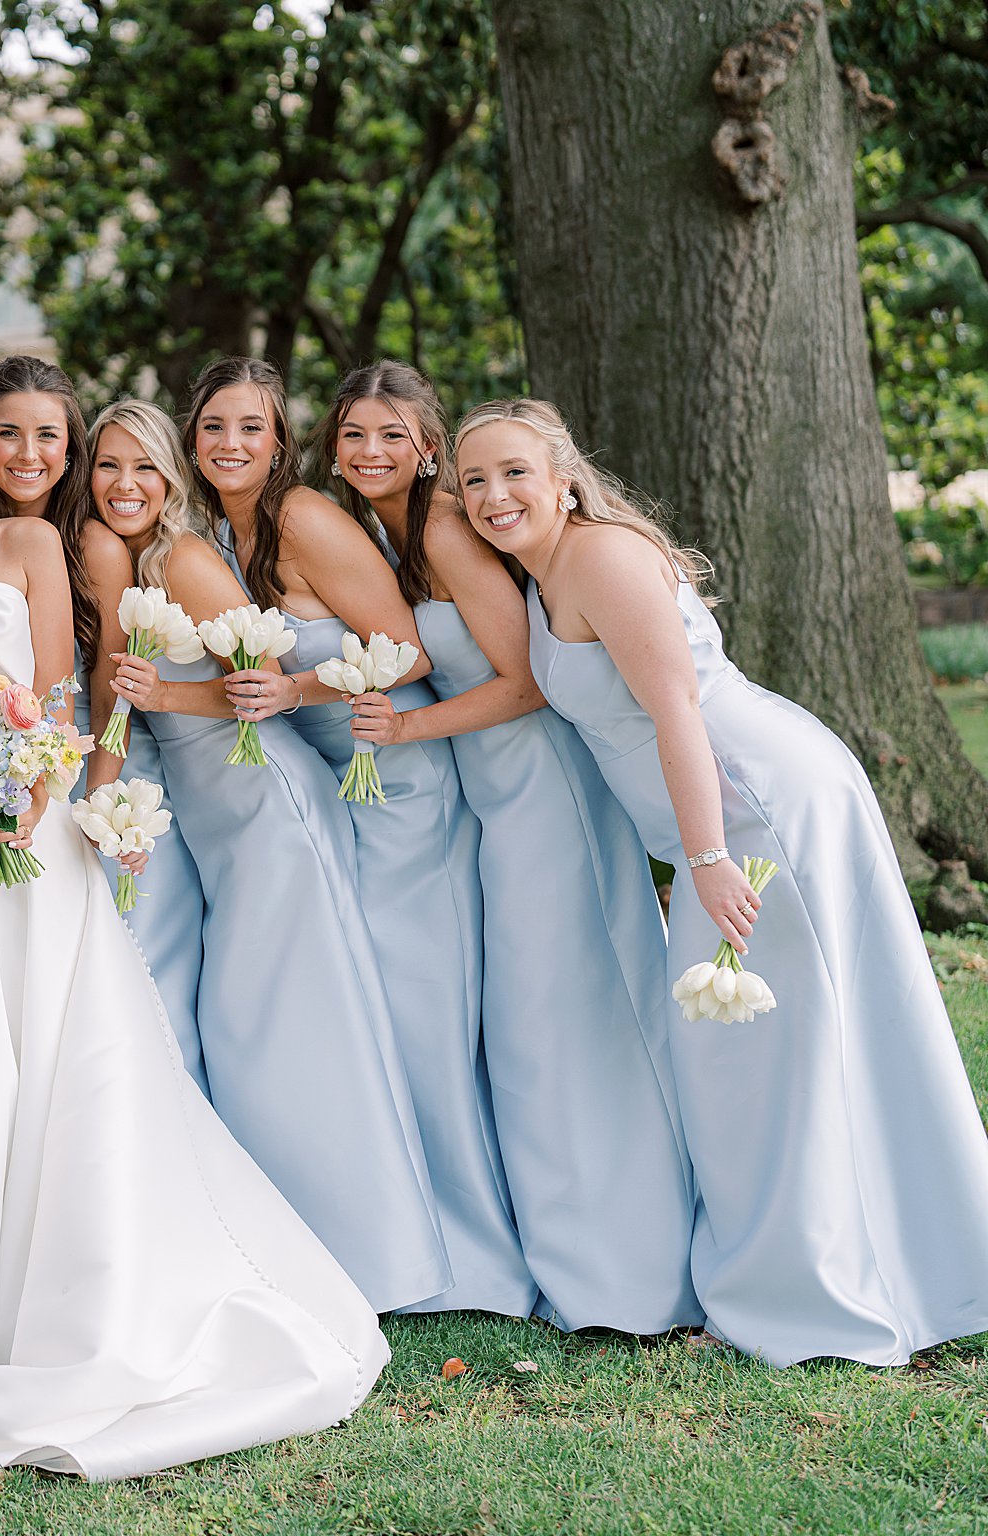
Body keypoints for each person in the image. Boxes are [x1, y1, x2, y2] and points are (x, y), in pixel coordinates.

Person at [0, 365, 389, 1494]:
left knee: (44, 1065)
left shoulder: (29, 546)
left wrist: (23, 791)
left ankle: (46, 1302)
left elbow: (56, 689)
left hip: (27, 831)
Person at [460, 396, 988, 1366]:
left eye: (512, 472)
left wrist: (700, 861)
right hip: (719, 819)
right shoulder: (541, 576)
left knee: (763, 1057)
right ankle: (804, 1279)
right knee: (748, 1057)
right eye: (474, 481)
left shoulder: (600, 558)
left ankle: (812, 1299)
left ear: (562, 476)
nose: (494, 495)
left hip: (758, 810)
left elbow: (676, 716)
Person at [312, 362, 698, 1335]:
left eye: (390, 436)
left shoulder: (442, 525)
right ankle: (568, 1259)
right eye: (352, 435)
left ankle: (626, 1278)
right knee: (531, 1030)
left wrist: (404, 729)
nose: (368, 453)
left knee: (563, 1024)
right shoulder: (380, 533)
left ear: (427, 447)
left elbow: (525, 682)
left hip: (539, 792)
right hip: (492, 798)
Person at [184, 355, 536, 1320]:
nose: (230, 445)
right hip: (345, 786)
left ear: (280, 440)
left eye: (251, 428)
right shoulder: (223, 531)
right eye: (214, 427)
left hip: (403, 784)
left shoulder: (302, 516)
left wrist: (295, 689)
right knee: (382, 1011)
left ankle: (472, 1255)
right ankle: (404, 1227)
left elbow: (406, 647)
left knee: (420, 1010)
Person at [91, 397, 447, 1311]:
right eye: (107, 467)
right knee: (251, 1026)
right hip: (217, 815)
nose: (126, 486)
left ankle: (374, 1256)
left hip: (267, 802)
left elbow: (253, 689)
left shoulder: (183, 558)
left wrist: (164, 703)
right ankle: (271, 1233)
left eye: (144, 468)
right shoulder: (170, 547)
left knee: (302, 1022)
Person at [0, 356, 208, 1081]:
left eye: (47, 435)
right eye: (8, 434)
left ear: (69, 447)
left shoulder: (94, 546)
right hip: (7, 788)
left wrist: (97, 811)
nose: (28, 454)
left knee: (126, 982)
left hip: (101, 778)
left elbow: (112, 696)